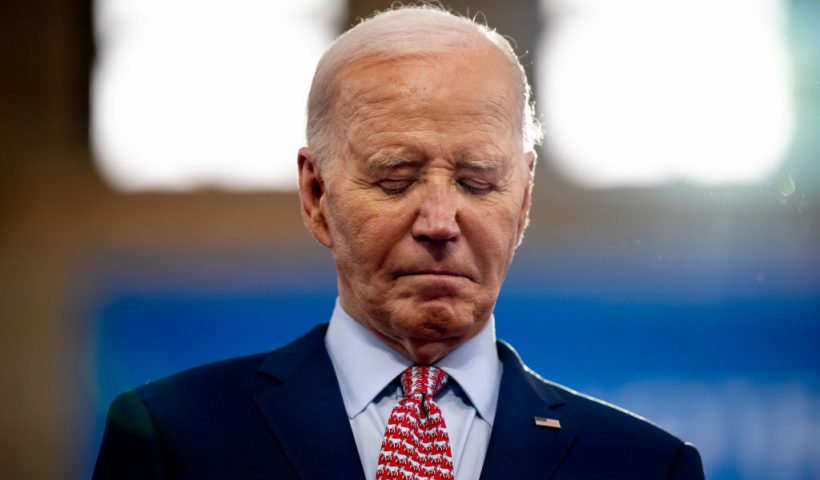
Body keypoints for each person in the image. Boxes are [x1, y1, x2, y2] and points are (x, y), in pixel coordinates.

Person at [94, 6, 705, 479]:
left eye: (476, 181)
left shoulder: (646, 466)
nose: (440, 220)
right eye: (395, 179)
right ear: (315, 194)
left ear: (523, 199)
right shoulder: (173, 439)